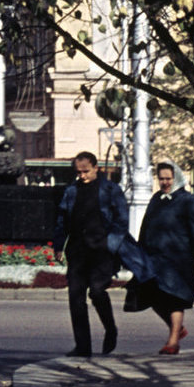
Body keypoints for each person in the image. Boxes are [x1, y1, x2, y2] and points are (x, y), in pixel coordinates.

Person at [54, 150, 143, 357]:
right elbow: (62, 219)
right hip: (77, 250)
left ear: (96, 168)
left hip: (102, 251)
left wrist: (110, 245)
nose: (82, 176)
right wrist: (59, 245)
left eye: (86, 172)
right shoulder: (71, 191)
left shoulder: (111, 189)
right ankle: (82, 346)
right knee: (75, 297)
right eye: (79, 173)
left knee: (96, 291)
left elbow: (122, 220)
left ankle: (110, 328)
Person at [125, 162, 194, 354]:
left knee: (174, 297)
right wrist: (139, 251)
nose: (165, 182)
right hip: (155, 258)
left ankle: (173, 342)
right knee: (152, 295)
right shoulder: (156, 198)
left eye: (168, 179)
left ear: (177, 178)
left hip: (178, 258)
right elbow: (145, 226)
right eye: (161, 178)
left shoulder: (187, 200)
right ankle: (178, 329)